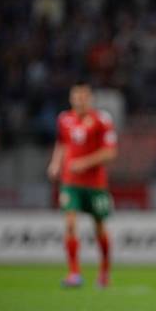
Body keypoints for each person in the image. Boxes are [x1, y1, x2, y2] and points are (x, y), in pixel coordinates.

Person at [47, 83, 118, 288]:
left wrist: (83, 163)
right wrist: (55, 163)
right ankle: (74, 273)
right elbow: (62, 143)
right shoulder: (64, 119)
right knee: (69, 224)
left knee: (99, 228)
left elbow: (110, 152)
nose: (80, 100)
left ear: (90, 98)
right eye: (76, 97)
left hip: (95, 184)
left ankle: (104, 272)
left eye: (84, 97)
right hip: (70, 182)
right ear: (71, 99)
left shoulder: (101, 120)